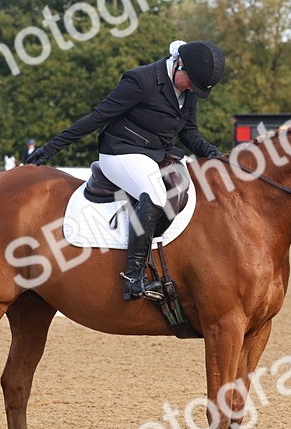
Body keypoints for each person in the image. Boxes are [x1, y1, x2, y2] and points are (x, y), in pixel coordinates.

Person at [24, 40, 225, 301]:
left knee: (183, 188)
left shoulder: (188, 90)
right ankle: (133, 278)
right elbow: (98, 117)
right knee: (154, 195)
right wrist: (51, 148)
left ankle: (157, 257)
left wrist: (213, 154)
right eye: (191, 83)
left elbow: (189, 132)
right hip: (121, 152)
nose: (192, 90)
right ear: (179, 64)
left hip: (157, 154)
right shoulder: (141, 80)